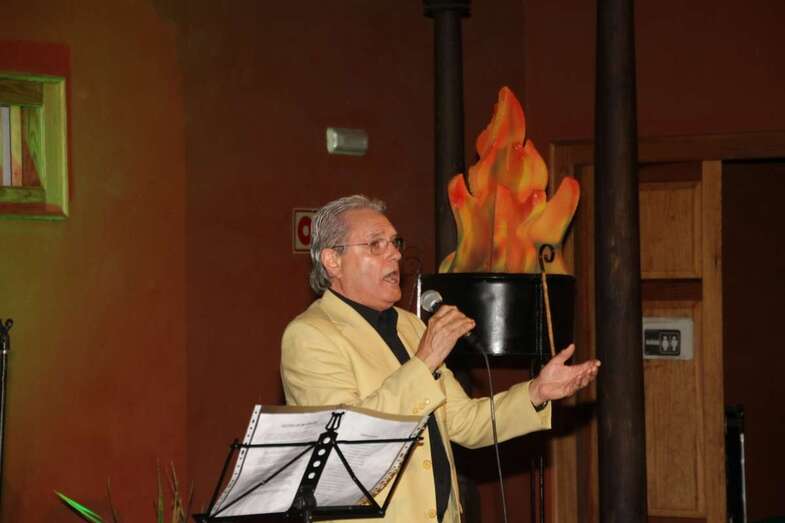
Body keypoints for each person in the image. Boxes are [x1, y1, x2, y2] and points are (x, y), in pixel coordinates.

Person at [280, 195, 600, 523]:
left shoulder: (410, 326)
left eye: (395, 243)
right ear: (332, 260)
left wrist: (536, 392)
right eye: (376, 245)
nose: (395, 254)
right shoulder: (310, 335)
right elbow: (348, 442)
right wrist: (425, 361)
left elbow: (465, 422)